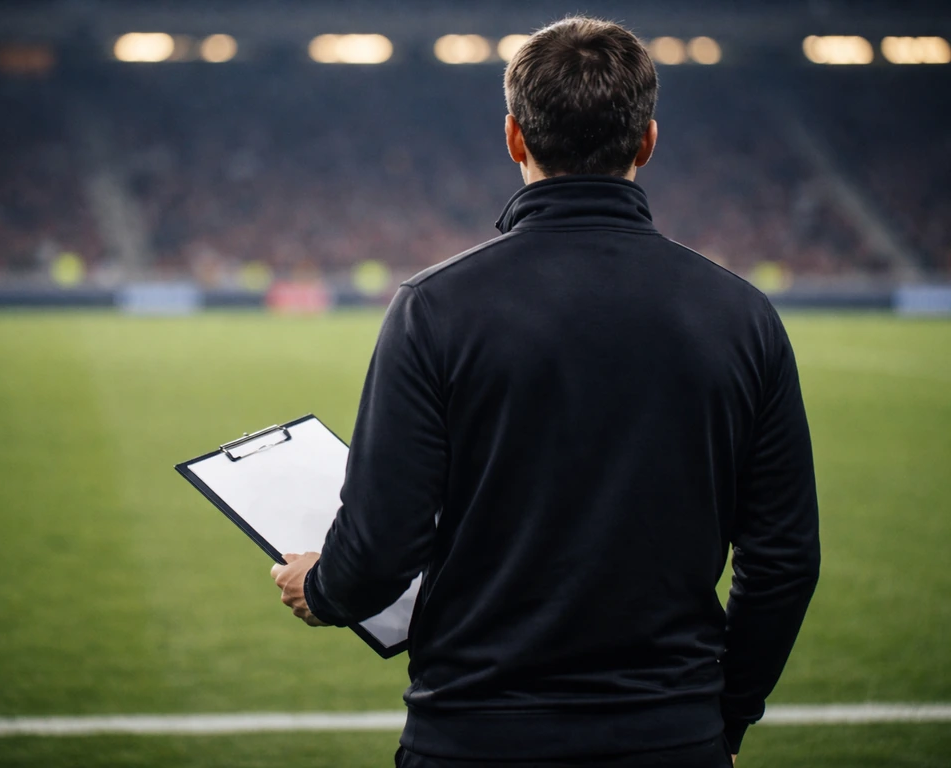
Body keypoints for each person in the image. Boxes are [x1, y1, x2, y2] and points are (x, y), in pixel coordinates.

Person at [271, 16, 820, 768]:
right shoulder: (743, 315)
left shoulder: (434, 308)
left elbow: (380, 549)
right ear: (647, 142)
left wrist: (322, 588)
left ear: (514, 139)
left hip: (473, 736)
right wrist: (720, 717)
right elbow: (785, 558)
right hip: (671, 737)